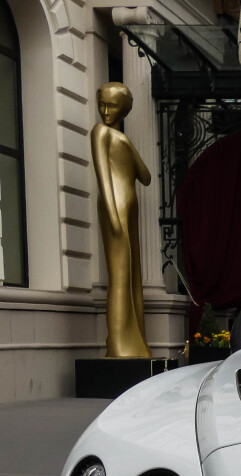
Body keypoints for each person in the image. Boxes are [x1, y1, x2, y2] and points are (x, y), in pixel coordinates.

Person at [91, 82, 152, 358]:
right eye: (101, 104)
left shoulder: (118, 137)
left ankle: (136, 342)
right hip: (114, 206)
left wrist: (127, 146)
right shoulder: (100, 132)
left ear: (124, 110)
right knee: (119, 276)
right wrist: (114, 216)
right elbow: (103, 176)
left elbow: (146, 176)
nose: (105, 111)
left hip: (128, 208)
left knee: (132, 277)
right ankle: (118, 344)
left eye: (112, 106)